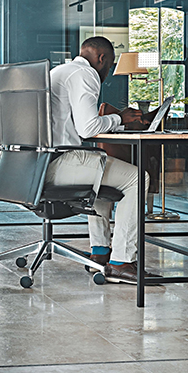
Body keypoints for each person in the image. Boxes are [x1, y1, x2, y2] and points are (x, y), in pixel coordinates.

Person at [44, 36, 161, 284]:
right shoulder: (85, 74)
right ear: (102, 59)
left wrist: (116, 118)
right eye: (110, 64)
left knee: (101, 171)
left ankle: (100, 253)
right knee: (138, 178)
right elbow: (88, 129)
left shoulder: (60, 71)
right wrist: (121, 119)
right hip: (60, 162)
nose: (108, 71)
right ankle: (122, 261)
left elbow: (74, 124)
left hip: (38, 164)